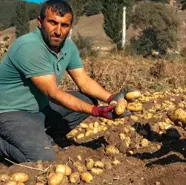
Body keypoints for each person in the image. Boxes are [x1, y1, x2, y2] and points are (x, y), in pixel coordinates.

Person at [0, 0, 133, 163]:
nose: (58, 31)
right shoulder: (30, 47)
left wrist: (111, 98)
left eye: (64, 25)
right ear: (40, 23)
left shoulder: (67, 46)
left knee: (87, 98)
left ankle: (51, 137)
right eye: (52, 23)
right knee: (42, 159)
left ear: (70, 26)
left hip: (41, 109)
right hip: (11, 112)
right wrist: (96, 111)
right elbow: (53, 93)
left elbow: (84, 81)